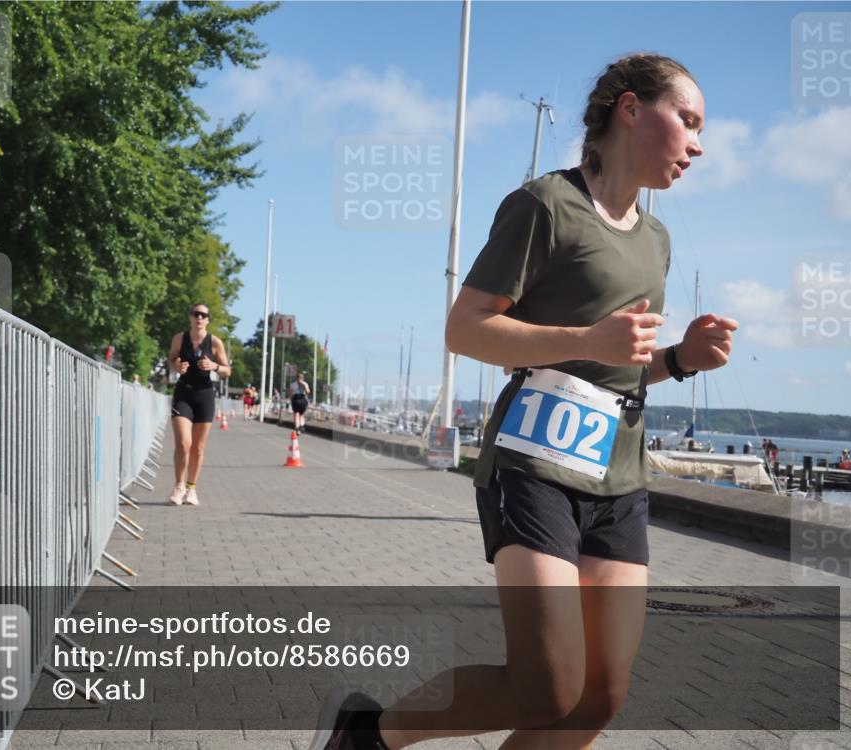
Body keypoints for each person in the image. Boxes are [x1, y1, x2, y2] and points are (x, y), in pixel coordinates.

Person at [309, 54, 739, 750]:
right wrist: (589, 337)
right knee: (547, 686)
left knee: (599, 695)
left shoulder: (657, 240)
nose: (698, 143)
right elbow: (465, 327)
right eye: (686, 120)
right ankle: (368, 733)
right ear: (631, 109)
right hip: (537, 466)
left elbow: (616, 370)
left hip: (619, 478)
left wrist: (680, 361)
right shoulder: (546, 205)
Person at [166, 303, 231, 506]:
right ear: (190, 317)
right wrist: (176, 366)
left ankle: (192, 488)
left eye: (203, 315)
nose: (199, 318)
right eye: (196, 314)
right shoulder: (180, 338)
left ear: (208, 320)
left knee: (198, 448)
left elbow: (227, 370)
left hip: (204, 395)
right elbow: (170, 358)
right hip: (183, 392)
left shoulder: (215, 343)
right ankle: (179, 486)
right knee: (184, 443)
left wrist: (214, 366)